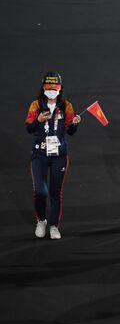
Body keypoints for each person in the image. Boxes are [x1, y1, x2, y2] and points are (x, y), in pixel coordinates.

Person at [25, 72, 81, 239]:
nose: (51, 91)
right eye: (48, 88)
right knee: (40, 192)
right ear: (43, 88)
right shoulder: (36, 105)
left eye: (55, 88)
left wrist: (75, 124)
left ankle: (54, 225)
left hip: (59, 155)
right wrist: (38, 121)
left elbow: (70, 131)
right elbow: (28, 128)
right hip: (39, 154)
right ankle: (41, 220)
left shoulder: (66, 106)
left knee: (56, 192)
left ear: (60, 89)